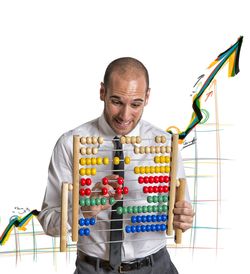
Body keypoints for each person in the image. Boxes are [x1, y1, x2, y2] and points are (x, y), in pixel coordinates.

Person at [38, 57, 194, 274]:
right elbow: (48, 222)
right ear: (102, 92)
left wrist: (183, 218)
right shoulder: (70, 144)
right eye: (116, 101)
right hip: (93, 268)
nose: (125, 115)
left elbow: (182, 212)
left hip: (155, 267)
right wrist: (84, 211)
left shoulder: (165, 144)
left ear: (147, 96)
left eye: (136, 104)